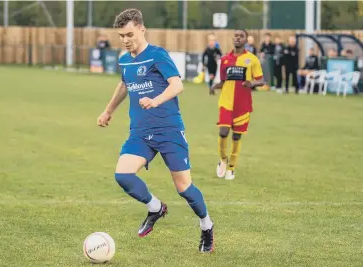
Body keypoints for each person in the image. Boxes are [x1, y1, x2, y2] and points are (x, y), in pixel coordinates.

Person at [97, 8, 215, 253]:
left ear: (142, 28)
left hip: (169, 131)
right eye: (121, 36)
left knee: (185, 189)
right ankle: (155, 208)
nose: (126, 40)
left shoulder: (157, 55)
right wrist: (108, 111)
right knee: (123, 175)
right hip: (140, 132)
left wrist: (156, 100)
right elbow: (124, 84)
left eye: (129, 34)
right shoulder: (125, 59)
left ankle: (206, 226)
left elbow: (177, 85)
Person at [209, 29, 265, 180]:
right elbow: (223, 81)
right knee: (223, 132)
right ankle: (222, 159)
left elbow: (261, 80)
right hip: (226, 101)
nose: (238, 38)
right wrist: (214, 87)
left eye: (241, 36)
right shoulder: (225, 59)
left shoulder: (252, 59)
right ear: (232, 39)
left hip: (243, 104)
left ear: (246, 40)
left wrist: (251, 82)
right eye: (236, 36)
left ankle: (231, 167)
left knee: (236, 136)